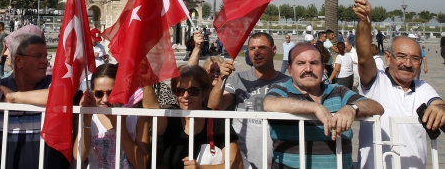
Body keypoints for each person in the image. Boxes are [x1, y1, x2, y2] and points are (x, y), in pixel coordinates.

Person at [354, 0, 445, 169]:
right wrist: (365, 22)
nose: (408, 64)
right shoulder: (375, 82)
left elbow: (439, 104)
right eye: (401, 57)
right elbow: (364, 58)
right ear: (388, 58)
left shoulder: (422, 88)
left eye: (415, 58)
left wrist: (440, 109)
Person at [263, 43, 383, 169]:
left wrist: (351, 108)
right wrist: (315, 107)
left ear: (323, 67)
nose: (308, 69)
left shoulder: (338, 91)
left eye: (314, 63)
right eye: (301, 63)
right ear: (290, 68)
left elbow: (376, 106)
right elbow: (269, 103)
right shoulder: (282, 90)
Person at [0, 23, 68, 169]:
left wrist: (14, 97)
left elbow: (61, 96)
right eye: (37, 56)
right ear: (19, 60)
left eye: (46, 56)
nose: (45, 61)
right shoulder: (0, 86)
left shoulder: (52, 84)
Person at [208, 32, 288, 169]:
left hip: (280, 160)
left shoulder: (288, 83)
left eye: (262, 47)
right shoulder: (237, 79)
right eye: (251, 49)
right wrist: (221, 79)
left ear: (274, 50)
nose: (256, 52)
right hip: (244, 161)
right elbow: (215, 106)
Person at [143, 65, 243, 169]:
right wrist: (147, 80)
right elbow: (151, 110)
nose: (185, 95)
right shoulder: (169, 118)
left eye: (193, 91)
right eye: (180, 91)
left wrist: (201, 168)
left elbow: (236, 164)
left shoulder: (216, 119)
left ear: (204, 94)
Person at [74, 63, 149, 168]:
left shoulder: (137, 117)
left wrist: (120, 126)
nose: (105, 99)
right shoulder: (89, 117)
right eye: (99, 94)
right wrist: (86, 121)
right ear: (92, 92)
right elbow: (79, 156)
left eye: (111, 93)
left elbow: (142, 164)